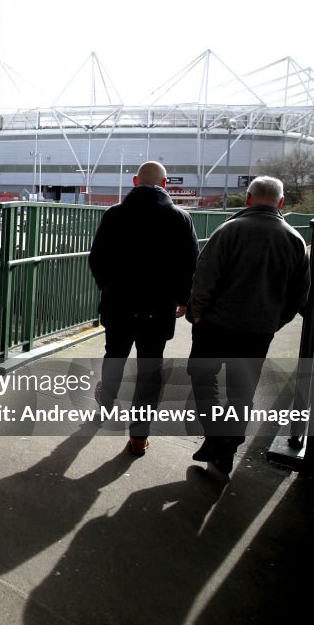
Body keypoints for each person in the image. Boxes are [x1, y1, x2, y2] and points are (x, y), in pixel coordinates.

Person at [186, 176, 309, 475]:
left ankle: (216, 436)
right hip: (259, 329)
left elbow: (205, 276)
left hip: (215, 324)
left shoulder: (228, 230)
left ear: (249, 198)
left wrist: (198, 313)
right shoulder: (294, 240)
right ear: (280, 203)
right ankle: (228, 442)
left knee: (203, 378)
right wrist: (276, 320)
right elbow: (299, 294)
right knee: (242, 389)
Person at [89, 161, 199, 456]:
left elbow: (97, 258)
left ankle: (106, 404)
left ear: (136, 181)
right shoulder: (181, 218)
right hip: (158, 308)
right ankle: (139, 437)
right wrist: (182, 298)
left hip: (119, 304)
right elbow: (191, 263)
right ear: (165, 184)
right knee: (150, 368)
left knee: (115, 355)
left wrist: (109, 288)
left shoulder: (114, 214)